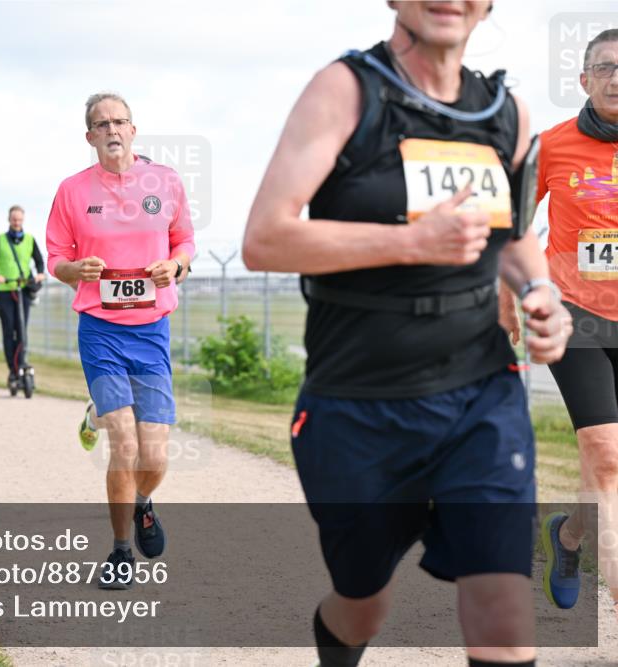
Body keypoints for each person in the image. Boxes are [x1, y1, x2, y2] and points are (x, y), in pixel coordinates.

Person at [241, 3, 573, 666]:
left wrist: (541, 292)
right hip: (359, 401)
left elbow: (513, 239)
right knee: (363, 601)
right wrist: (410, 241)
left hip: (481, 391)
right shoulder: (346, 89)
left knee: (505, 609)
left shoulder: (506, 113)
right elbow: (265, 238)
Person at [46, 92, 194, 589]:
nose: (112, 129)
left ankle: (143, 504)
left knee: (153, 457)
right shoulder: (71, 191)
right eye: (101, 123)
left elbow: (185, 241)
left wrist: (174, 265)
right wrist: (73, 269)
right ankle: (119, 551)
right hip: (101, 330)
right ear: (89, 137)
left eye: (120, 121)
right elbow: (56, 257)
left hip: (151, 331)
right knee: (124, 444)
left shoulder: (166, 183)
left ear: (134, 130)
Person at [530, 27, 618, 615]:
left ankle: (568, 539)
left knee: (603, 471)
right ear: (585, 80)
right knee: (607, 455)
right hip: (577, 315)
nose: (617, 77)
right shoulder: (552, 146)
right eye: (606, 67)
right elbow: (508, 227)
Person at [0, 204, 46, 387]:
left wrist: (40, 273)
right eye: (14, 219)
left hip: (24, 290)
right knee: (9, 331)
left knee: (22, 329)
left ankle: (20, 364)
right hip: (5, 292)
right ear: (9, 219)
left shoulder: (30, 239)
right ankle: (13, 370)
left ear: (23, 220)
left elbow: (39, 261)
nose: (16, 222)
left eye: (19, 219)